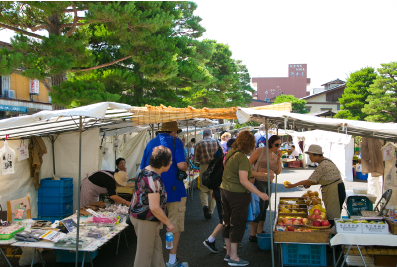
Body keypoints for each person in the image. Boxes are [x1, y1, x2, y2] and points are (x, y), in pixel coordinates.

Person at [203, 137, 268, 253]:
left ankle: (226, 247)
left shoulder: (227, 155)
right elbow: (242, 178)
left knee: (226, 219)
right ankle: (221, 246)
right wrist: (259, 193)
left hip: (221, 189)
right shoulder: (237, 157)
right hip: (231, 192)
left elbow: (225, 174)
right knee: (229, 221)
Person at [140, 121, 188, 267]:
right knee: (174, 226)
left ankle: (158, 262)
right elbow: (181, 165)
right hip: (175, 190)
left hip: (155, 190)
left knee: (156, 228)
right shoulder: (176, 142)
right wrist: (185, 167)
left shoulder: (151, 143)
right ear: (173, 132)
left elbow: (143, 168)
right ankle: (172, 261)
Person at [221, 131, 269, 266]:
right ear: (249, 143)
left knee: (227, 222)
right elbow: (244, 180)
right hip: (237, 195)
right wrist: (260, 194)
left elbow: (245, 172)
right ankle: (234, 257)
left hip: (225, 191)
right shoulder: (241, 157)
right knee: (237, 223)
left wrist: (263, 174)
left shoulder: (231, 153)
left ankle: (228, 254)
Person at [130, 146, 175, 267]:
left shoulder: (145, 171)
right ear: (162, 162)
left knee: (156, 251)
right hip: (145, 219)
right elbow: (154, 208)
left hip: (144, 218)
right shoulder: (152, 178)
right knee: (144, 256)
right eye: (170, 161)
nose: (171, 163)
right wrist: (168, 223)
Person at [284, 144, 346, 227]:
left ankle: (332, 235)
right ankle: (332, 233)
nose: (309, 157)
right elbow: (322, 180)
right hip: (334, 188)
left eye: (310, 155)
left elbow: (309, 180)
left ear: (316, 155)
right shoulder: (326, 161)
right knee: (332, 214)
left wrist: (293, 185)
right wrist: (309, 184)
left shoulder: (323, 165)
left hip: (335, 190)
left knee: (333, 216)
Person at [248, 135, 282, 242]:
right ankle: (252, 234)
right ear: (271, 143)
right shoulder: (260, 151)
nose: (278, 147)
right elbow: (249, 163)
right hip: (258, 181)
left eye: (280, 145)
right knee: (259, 207)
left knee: (265, 207)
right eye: (277, 144)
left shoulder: (275, 155)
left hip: (269, 183)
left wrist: (279, 159)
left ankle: (260, 230)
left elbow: (278, 172)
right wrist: (252, 177)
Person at [195, 129, 221, 219]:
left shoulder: (198, 144)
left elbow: (196, 159)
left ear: (203, 135)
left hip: (203, 167)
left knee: (203, 189)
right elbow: (222, 154)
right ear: (211, 135)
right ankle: (210, 212)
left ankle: (205, 206)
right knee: (213, 189)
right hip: (215, 168)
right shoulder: (217, 142)